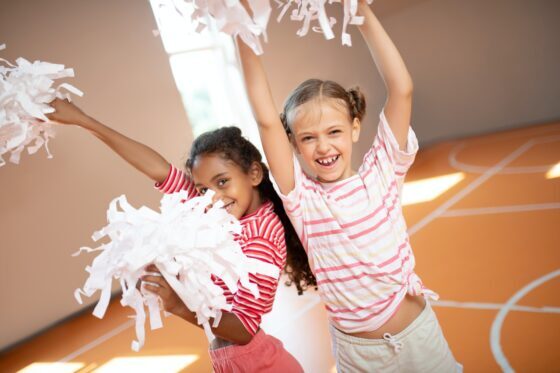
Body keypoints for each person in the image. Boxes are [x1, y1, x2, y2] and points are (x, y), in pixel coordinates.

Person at [237, 0, 461, 371]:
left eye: (334, 132)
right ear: (292, 144)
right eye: (307, 138)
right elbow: (265, 119)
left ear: (355, 128)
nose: (323, 146)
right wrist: (242, 28)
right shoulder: (302, 199)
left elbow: (401, 88)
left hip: (419, 340)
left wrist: (358, 10)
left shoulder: (382, 172)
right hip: (360, 357)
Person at [47, 99, 308, 372]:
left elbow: (244, 329)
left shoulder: (261, 235)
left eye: (222, 182)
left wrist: (180, 306)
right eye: (202, 189)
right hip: (234, 361)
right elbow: (158, 168)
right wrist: (84, 121)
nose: (213, 198)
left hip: (260, 365)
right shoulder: (219, 211)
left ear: (253, 173)